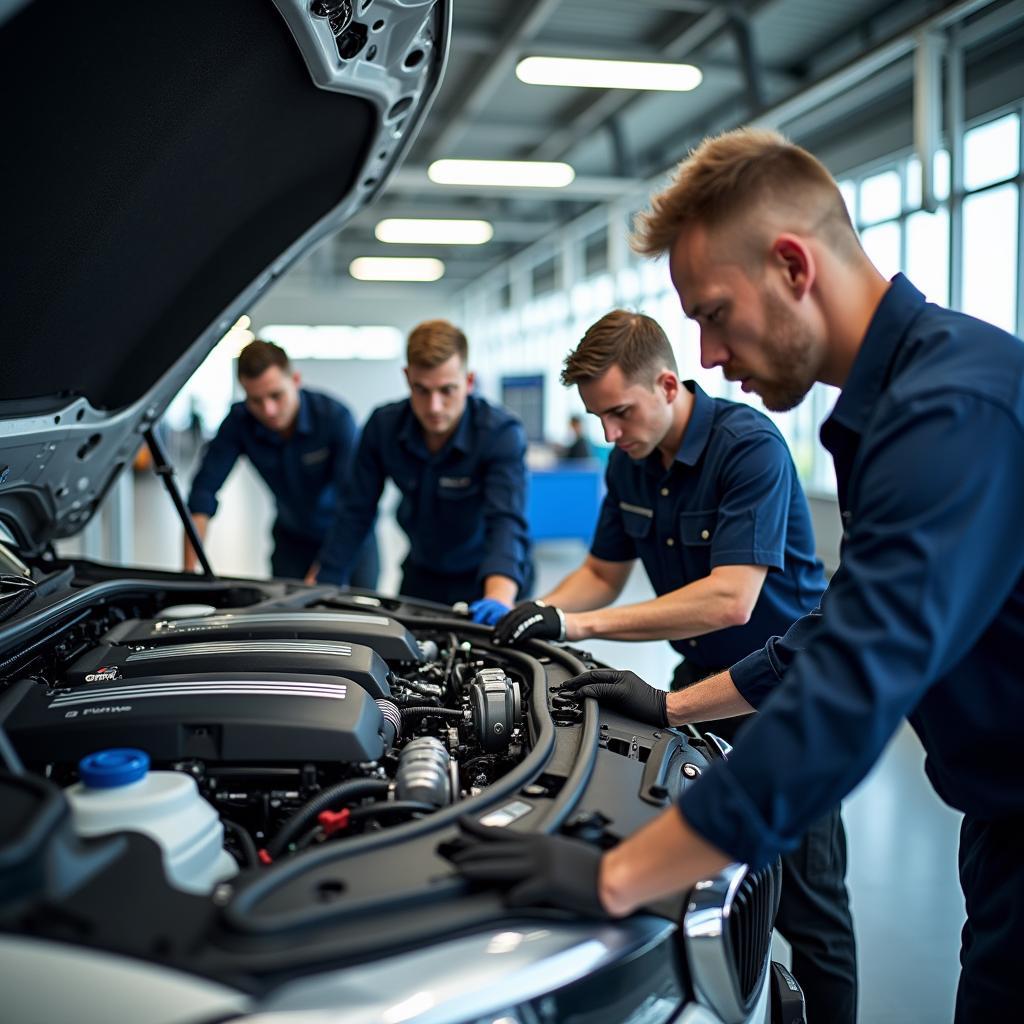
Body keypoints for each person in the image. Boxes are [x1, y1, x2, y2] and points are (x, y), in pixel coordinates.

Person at [447, 128, 1024, 1021]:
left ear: (794, 266)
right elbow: (833, 631)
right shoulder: (887, 415)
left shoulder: (948, 412)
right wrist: (671, 705)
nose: (708, 357)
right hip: (998, 819)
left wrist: (616, 878)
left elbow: (849, 687)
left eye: (714, 313)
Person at [492, 309, 856, 1022]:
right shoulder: (630, 461)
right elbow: (600, 572)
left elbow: (731, 600)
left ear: (667, 383)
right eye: (597, 417)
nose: (608, 435)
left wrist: (576, 622)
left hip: (789, 694)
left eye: (619, 413)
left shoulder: (749, 447)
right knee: (700, 875)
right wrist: (536, 613)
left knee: (811, 912)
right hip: (699, 685)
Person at [312, 319, 532, 621]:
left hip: (489, 575)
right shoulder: (383, 427)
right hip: (423, 572)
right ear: (407, 378)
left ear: (468, 381)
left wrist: (499, 597)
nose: (435, 407)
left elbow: (505, 520)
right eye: (422, 390)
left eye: (447, 390)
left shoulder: (500, 433)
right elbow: (356, 511)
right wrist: (325, 583)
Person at [185, 340, 379, 584]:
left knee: (362, 616)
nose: (269, 410)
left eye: (276, 395)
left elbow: (353, 503)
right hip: (292, 538)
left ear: (295, 380)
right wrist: (189, 573)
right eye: (256, 400)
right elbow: (203, 491)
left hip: (348, 534)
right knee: (289, 615)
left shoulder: (335, 418)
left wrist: (325, 572)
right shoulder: (239, 422)